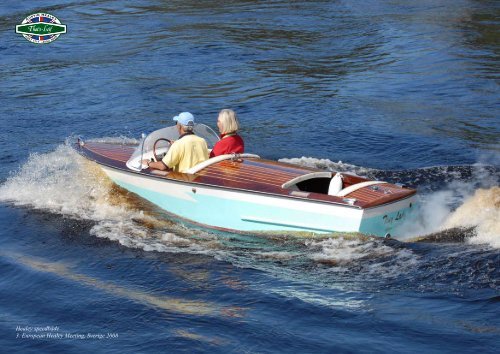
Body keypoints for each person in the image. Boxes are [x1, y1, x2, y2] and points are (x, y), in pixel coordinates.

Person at [143, 112, 209, 173]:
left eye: (176, 123)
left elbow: (162, 166)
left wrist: (148, 163)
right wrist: (174, 146)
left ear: (180, 126)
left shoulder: (178, 144)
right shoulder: (202, 141)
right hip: (199, 176)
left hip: (184, 178)